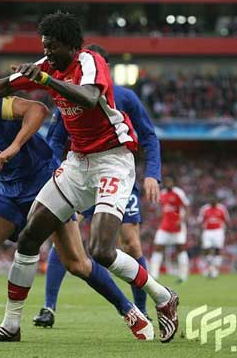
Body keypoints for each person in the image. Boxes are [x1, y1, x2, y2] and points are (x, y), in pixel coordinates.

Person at [0, 11, 178, 343]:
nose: (46, 54)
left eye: (51, 47)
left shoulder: (89, 62)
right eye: (43, 47)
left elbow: (90, 97)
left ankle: (163, 297)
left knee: (101, 251)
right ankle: (11, 325)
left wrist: (45, 80)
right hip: (78, 163)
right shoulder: (50, 65)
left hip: (113, 160)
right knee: (30, 235)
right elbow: (6, 85)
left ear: (70, 45)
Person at [0, 75, 153, 343]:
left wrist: (13, 148)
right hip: (9, 190)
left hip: (45, 183)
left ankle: (129, 311)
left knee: (77, 263)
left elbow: (37, 110)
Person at [33, 44, 161, 328]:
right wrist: (56, 167)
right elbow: (54, 138)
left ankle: (141, 310)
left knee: (130, 243)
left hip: (115, 175)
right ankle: (48, 307)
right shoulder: (67, 95)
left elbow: (149, 136)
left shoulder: (125, 97)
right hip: (80, 173)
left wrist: (152, 173)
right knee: (65, 235)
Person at [150, 177, 190, 283]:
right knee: (157, 247)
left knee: (180, 248)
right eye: (166, 182)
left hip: (178, 227)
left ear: (173, 183)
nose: (168, 183)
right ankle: (154, 275)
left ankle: (183, 276)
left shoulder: (178, 193)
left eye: (170, 182)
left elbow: (187, 206)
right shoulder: (162, 193)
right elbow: (160, 208)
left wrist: (182, 220)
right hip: (164, 226)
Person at [197, 197, 230, 278]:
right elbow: (200, 221)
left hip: (218, 231)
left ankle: (214, 270)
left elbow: (227, 220)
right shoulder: (204, 209)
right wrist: (200, 231)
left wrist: (227, 232)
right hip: (207, 231)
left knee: (217, 250)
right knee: (206, 250)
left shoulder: (222, 208)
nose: (213, 201)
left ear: (217, 201)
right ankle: (211, 268)